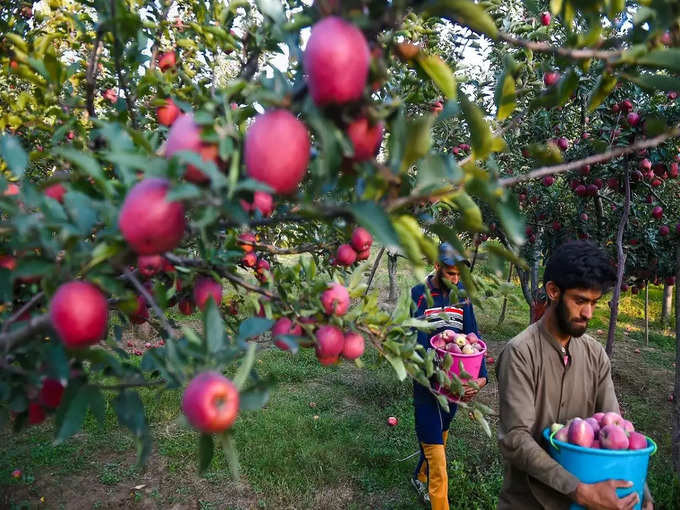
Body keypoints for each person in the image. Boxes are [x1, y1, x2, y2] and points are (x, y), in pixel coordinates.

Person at [496, 240, 654, 510]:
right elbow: (515, 439)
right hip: (530, 502)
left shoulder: (594, 355)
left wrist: (643, 495)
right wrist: (579, 491)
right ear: (553, 291)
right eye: (580, 301)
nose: (588, 313)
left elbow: (616, 429)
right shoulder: (520, 353)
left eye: (594, 302)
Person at [409, 242, 488, 509]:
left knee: (439, 435)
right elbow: (416, 343)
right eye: (450, 273)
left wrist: (481, 377)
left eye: (459, 275)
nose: (455, 280)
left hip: (455, 385)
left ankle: (419, 476)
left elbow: (473, 335)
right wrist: (434, 376)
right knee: (439, 460)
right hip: (428, 386)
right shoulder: (419, 294)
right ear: (436, 267)